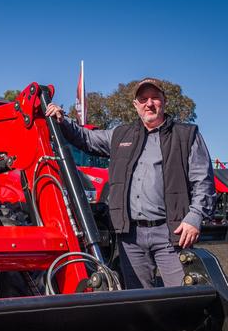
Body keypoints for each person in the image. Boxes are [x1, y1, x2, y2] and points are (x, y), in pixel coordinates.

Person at [45, 78, 216, 288]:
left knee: (180, 293)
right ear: (136, 105)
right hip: (130, 236)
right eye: (143, 99)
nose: (149, 104)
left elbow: (203, 181)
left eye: (155, 98)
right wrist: (62, 120)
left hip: (171, 233)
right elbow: (86, 138)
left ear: (165, 101)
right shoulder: (120, 135)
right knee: (139, 297)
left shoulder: (186, 135)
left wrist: (195, 216)